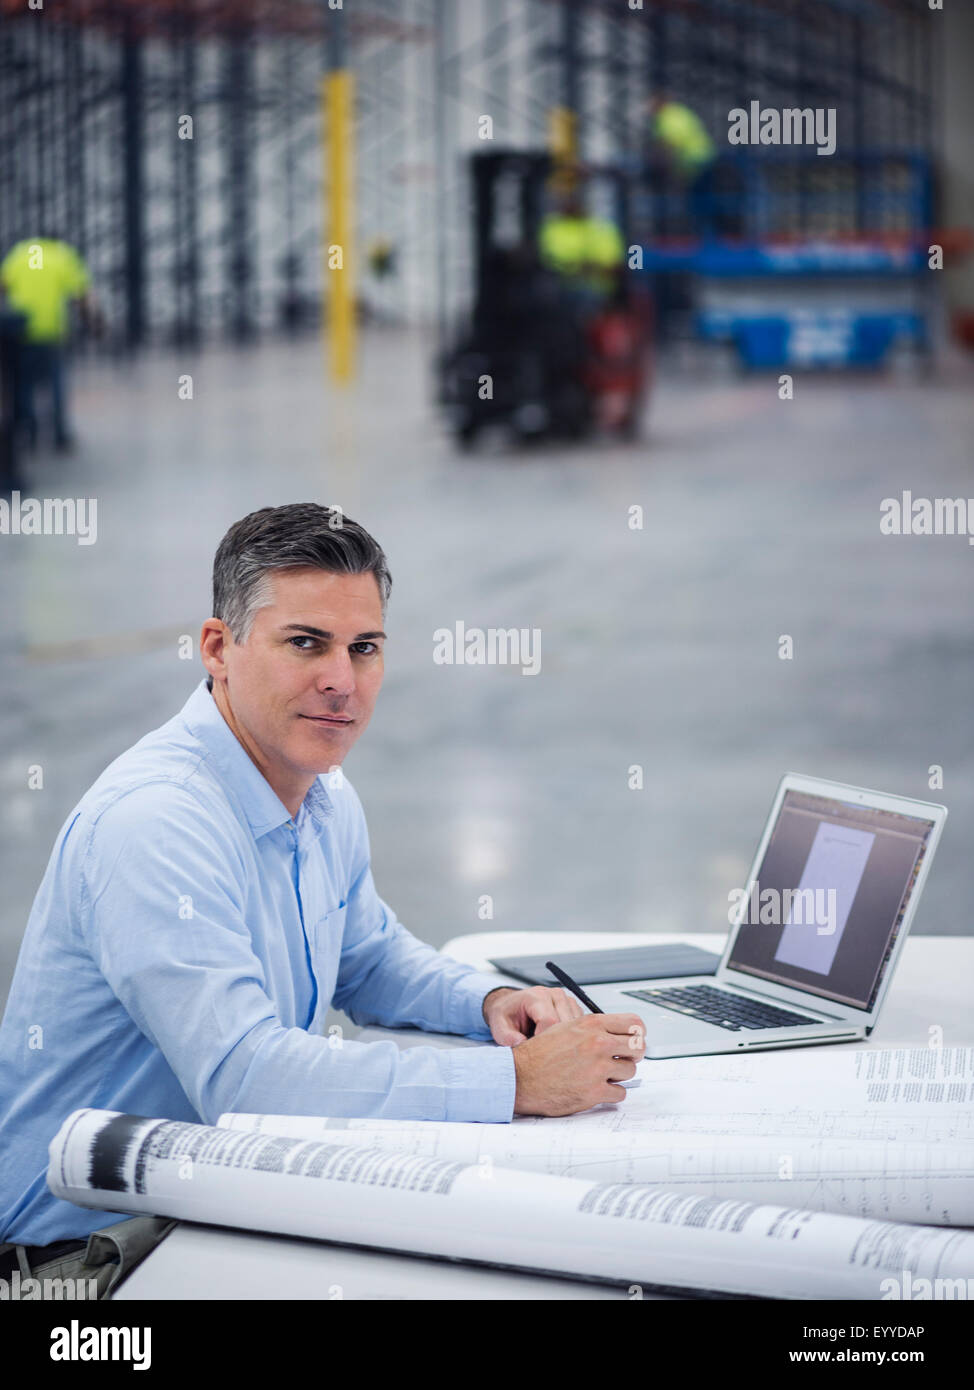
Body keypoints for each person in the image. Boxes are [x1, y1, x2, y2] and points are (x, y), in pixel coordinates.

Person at [0, 504, 645, 1279]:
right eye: (306, 643)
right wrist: (515, 1082)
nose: (341, 681)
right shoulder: (157, 824)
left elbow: (366, 957)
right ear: (219, 649)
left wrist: (485, 1005)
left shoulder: (318, 790)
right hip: (88, 1254)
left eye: (363, 648)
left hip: (214, 1195)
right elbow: (249, 1076)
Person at [0, 234, 97, 451]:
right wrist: (93, 325)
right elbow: (82, 295)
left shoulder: (19, 255)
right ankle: (59, 433)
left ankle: (28, 431)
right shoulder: (62, 256)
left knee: (23, 381)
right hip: (51, 331)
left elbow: (2, 287)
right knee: (56, 382)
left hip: (21, 330)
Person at [645, 94, 717, 237]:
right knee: (703, 200)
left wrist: (668, 170)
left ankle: (703, 234)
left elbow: (669, 145)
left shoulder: (667, 119)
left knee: (698, 201)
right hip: (703, 157)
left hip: (694, 161)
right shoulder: (679, 112)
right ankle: (707, 234)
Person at [538, 187, 626, 304]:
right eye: (569, 199)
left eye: (578, 199)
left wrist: (593, 267)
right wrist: (582, 266)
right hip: (565, 289)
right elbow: (550, 260)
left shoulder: (603, 227)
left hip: (601, 291)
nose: (574, 203)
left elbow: (616, 262)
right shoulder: (552, 227)